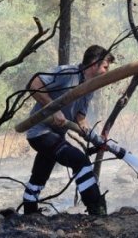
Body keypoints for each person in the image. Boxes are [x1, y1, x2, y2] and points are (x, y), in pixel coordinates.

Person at [20, 45, 114, 216]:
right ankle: (96, 210)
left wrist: (84, 127)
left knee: (40, 175)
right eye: (105, 67)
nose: (107, 72)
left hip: (56, 135)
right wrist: (54, 109)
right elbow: (34, 83)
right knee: (80, 161)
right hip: (40, 132)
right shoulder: (67, 72)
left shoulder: (90, 86)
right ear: (94, 63)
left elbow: (80, 115)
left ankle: (29, 213)